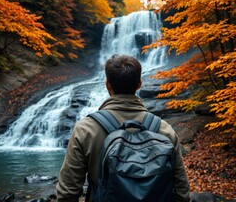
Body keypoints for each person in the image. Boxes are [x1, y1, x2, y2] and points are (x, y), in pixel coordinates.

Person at [56, 54, 190, 202]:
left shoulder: (86, 129)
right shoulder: (165, 130)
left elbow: (67, 193)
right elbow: (182, 192)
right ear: (139, 84)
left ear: (107, 84)